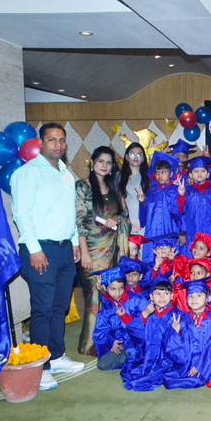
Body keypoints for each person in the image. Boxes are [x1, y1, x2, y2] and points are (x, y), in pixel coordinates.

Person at [11, 122, 85, 391]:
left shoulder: (65, 173)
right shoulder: (28, 173)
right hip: (40, 249)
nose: (58, 144)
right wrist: (34, 249)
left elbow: (69, 213)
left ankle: (55, 356)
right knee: (42, 309)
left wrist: (74, 243)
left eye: (62, 140)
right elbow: (21, 214)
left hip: (65, 249)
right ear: (40, 143)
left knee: (59, 307)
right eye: (52, 140)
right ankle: (39, 367)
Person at [76, 146, 131, 356]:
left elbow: (124, 212)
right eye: (101, 161)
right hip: (91, 249)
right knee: (94, 295)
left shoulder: (113, 186)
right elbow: (79, 221)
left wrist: (117, 218)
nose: (105, 166)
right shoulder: (82, 186)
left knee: (109, 295)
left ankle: (108, 342)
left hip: (112, 249)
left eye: (108, 163)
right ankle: (90, 345)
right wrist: (84, 252)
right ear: (92, 162)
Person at [121, 277, 181, 391]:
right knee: (132, 372)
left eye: (166, 293)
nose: (162, 297)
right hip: (147, 354)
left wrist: (176, 333)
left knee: (150, 377)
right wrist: (144, 314)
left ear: (172, 296)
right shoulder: (149, 313)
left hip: (166, 358)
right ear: (151, 297)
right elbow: (134, 330)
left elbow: (182, 345)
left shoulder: (176, 316)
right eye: (157, 293)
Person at [163, 278, 211, 389]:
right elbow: (172, 347)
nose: (194, 299)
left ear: (208, 298)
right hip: (186, 361)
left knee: (197, 380)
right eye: (190, 296)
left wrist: (200, 366)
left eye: (199, 295)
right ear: (186, 300)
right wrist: (176, 333)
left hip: (206, 362)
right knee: (168, 378)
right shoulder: (181, 318)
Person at [92, 267, 148, 371]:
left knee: (138, 357)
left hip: (139, 340)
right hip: (122, 342)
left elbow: (147, 322)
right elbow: (102, 329)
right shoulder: (107, 308)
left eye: (121, 288)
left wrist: (126, 318)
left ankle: (135, 356)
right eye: (113, 289)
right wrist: (112, 341)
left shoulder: (136, 299)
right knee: (102, 364)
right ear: (105, 288)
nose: (117, 293)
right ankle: (130, 356)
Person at [135, 151, 183, 263]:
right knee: (152, 260)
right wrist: (142, 201)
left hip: (170, 229)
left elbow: (181, 212)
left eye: (163, 172)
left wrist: (181, 195)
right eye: (157, 173)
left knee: (171, 259)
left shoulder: (175, 190)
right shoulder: (151, 191)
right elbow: (146, 213)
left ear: (171, 174)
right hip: (153, 231)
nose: (160, 176)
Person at [118, 143, 151, 236]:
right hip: (124, 223)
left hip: (143, 225)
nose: (136, 157)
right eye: (132, 154)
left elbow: (153, 203)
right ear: (126, 157)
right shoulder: (118, 178)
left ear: (143, 158)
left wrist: (142, 221)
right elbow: (115, 203)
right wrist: (130, 221)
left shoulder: (149, 178)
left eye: (139, 154)